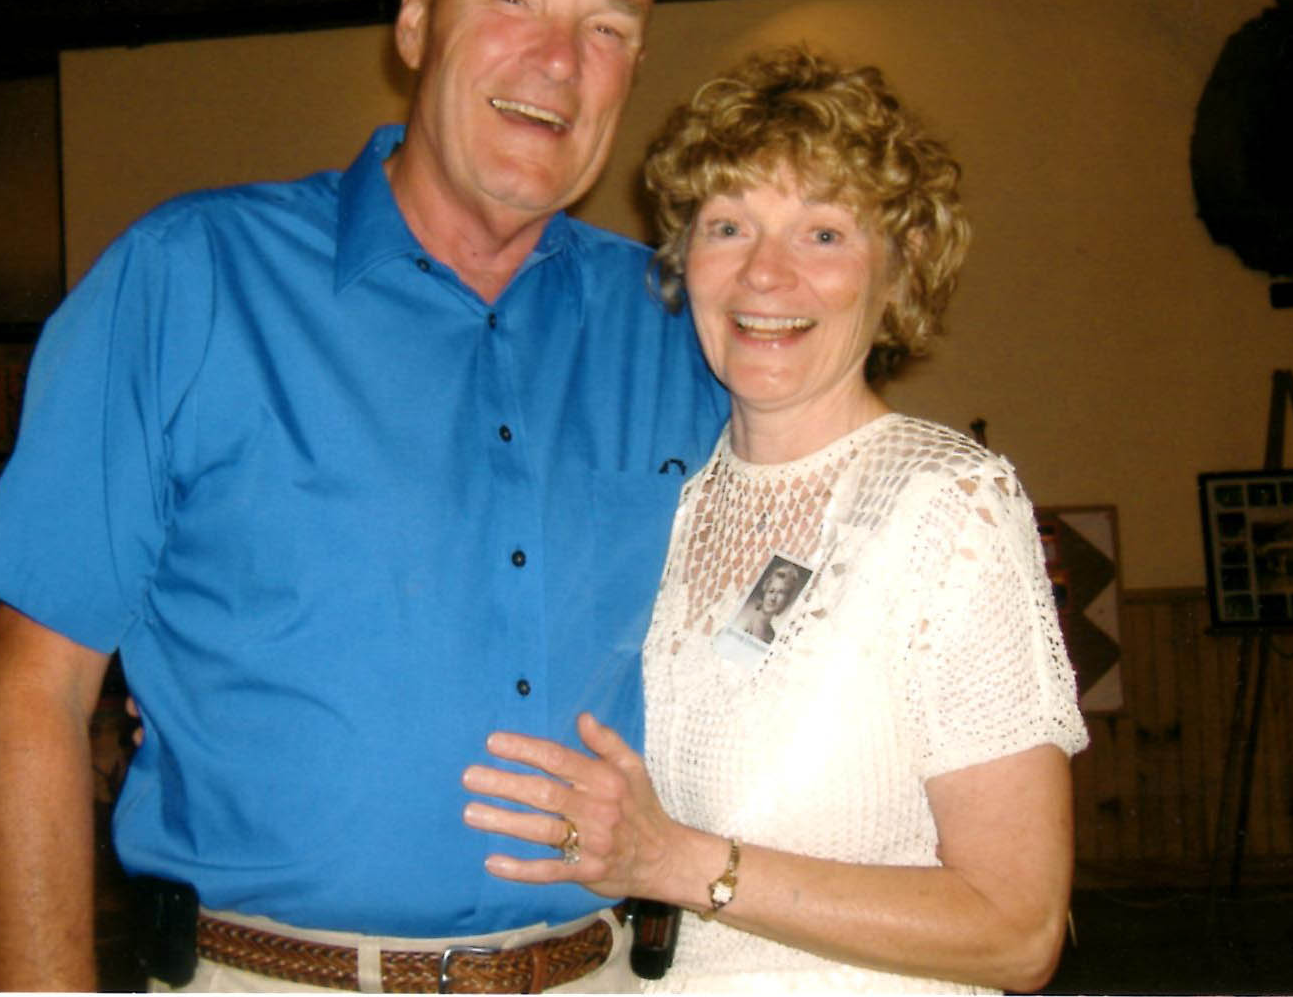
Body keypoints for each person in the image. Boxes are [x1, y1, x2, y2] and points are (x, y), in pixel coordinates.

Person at [0, 0, 726, 992]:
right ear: (415, 21)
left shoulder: (678, 327)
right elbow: (29, 698)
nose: (559, 60)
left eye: (606, 28)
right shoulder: (190, 279)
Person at [461, 48, 1091, 992]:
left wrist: (675, 863)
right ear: (685, 261)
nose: (764, 275)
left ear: (899, 271)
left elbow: (1017, 930)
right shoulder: (675, 505)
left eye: (823, 234)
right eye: (729, 227)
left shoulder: (947, 508)